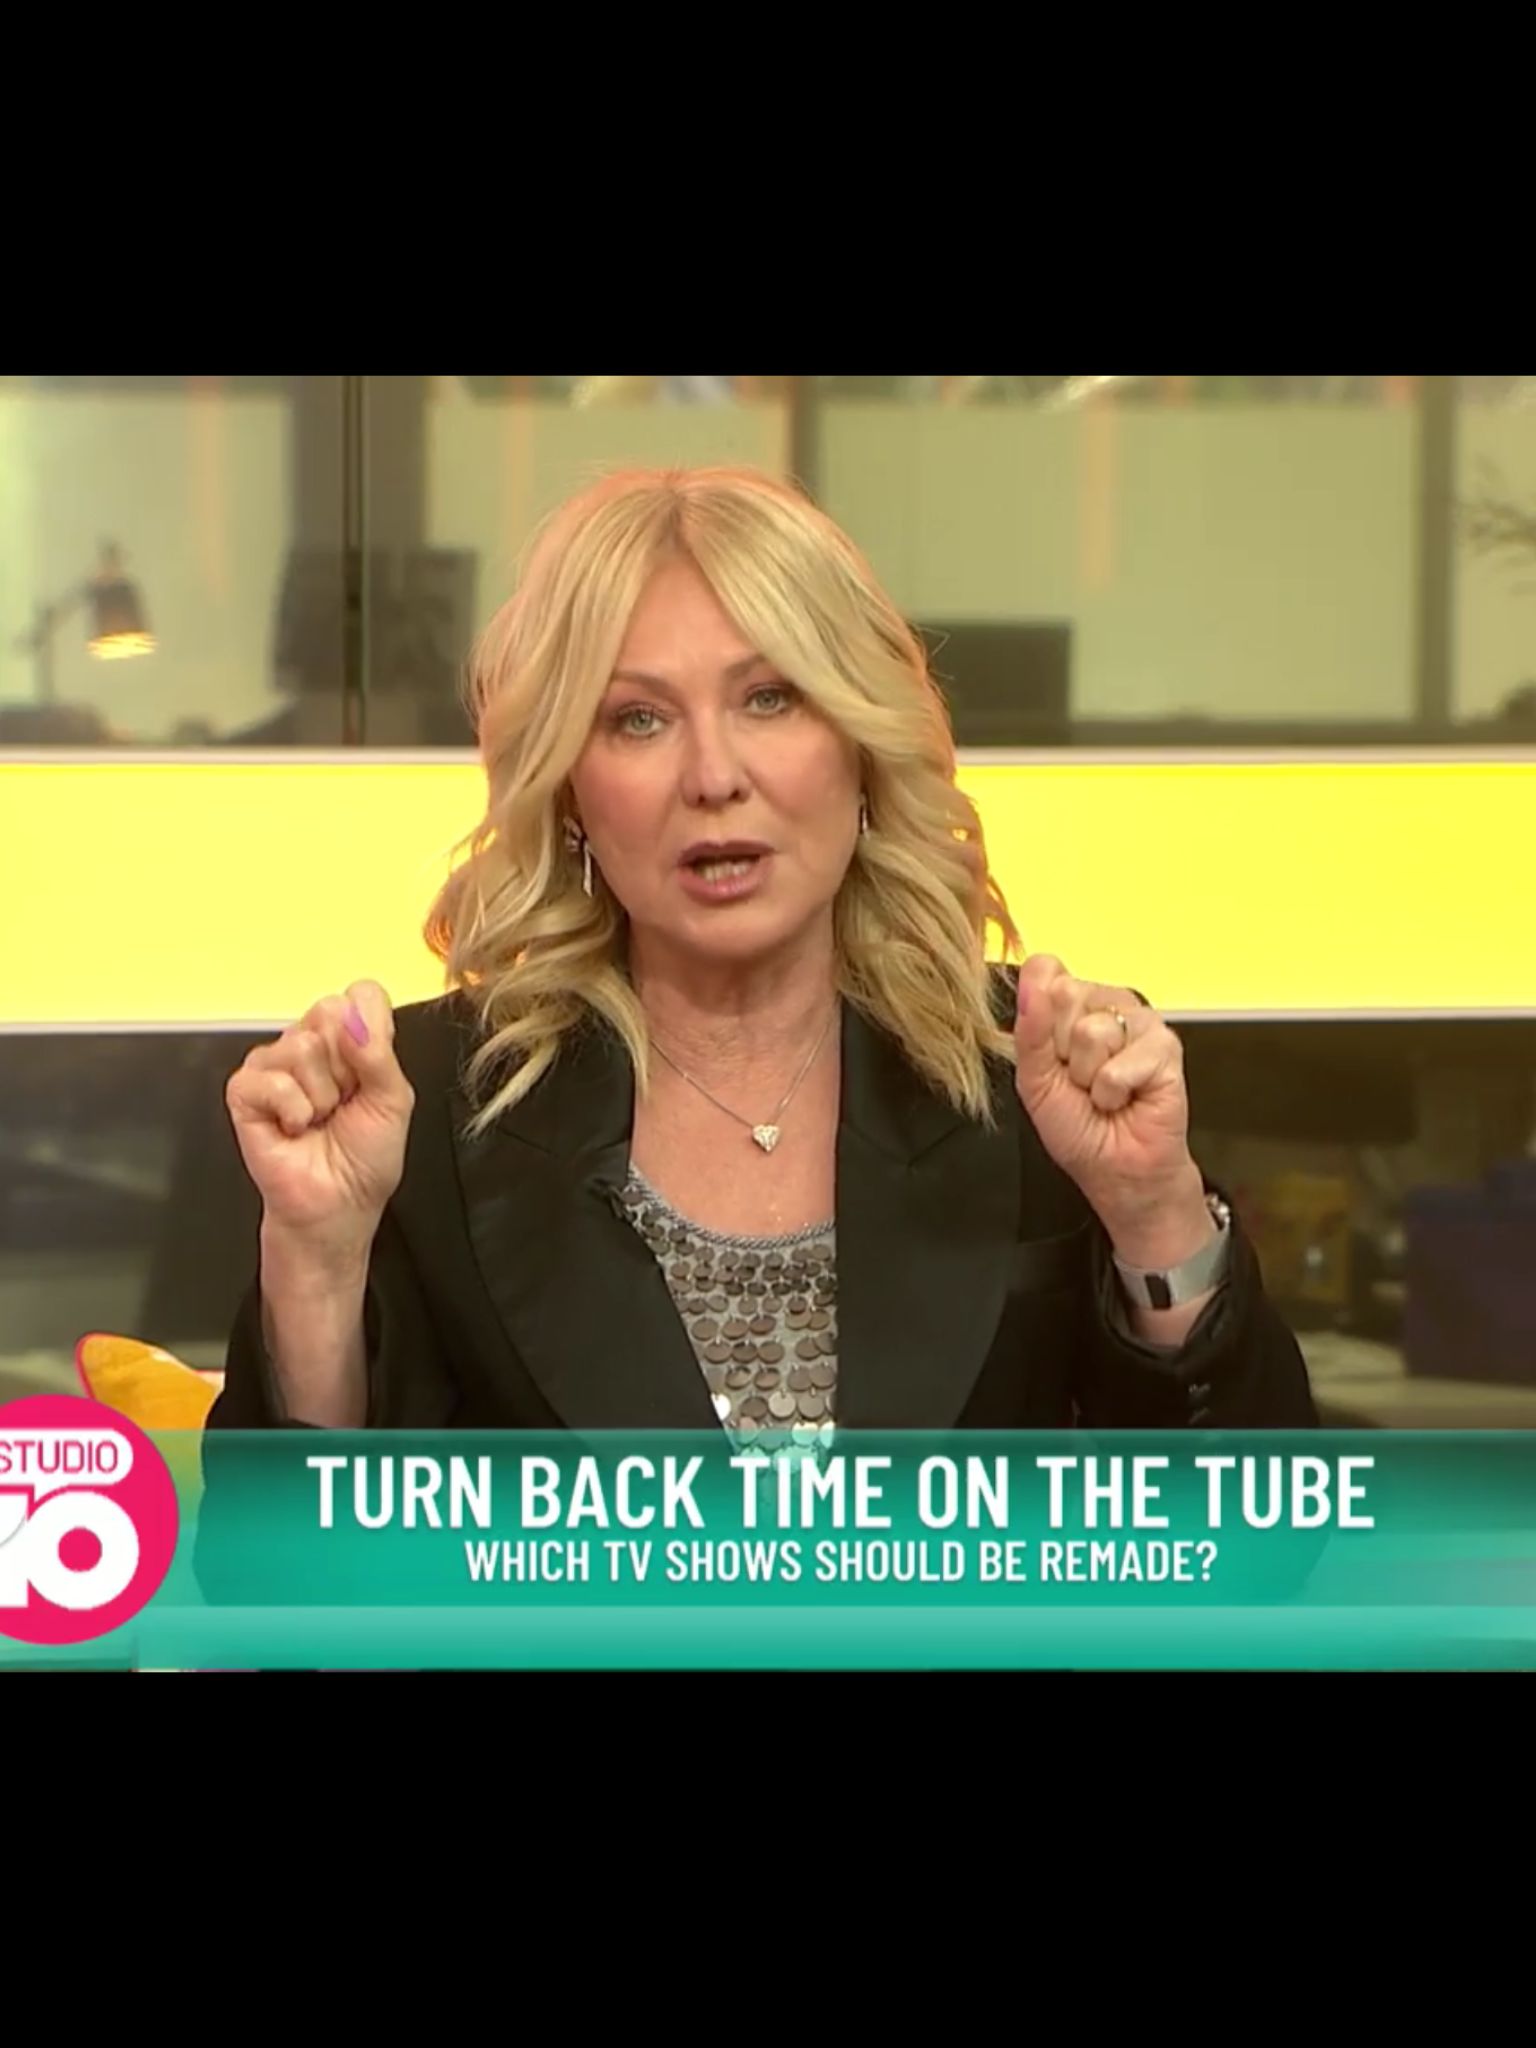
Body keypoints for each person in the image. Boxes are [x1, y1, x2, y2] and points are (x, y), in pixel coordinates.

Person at [208, 464, 1316, 1440]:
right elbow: (285, 1582)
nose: (713, 775)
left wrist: (1152, 1212)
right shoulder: (426, 1108)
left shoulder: (1031, 1072)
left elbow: (1252, 1550)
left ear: (860, 742)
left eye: (770, 697)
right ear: (573, 787)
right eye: (638, 719)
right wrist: (314, 1260)